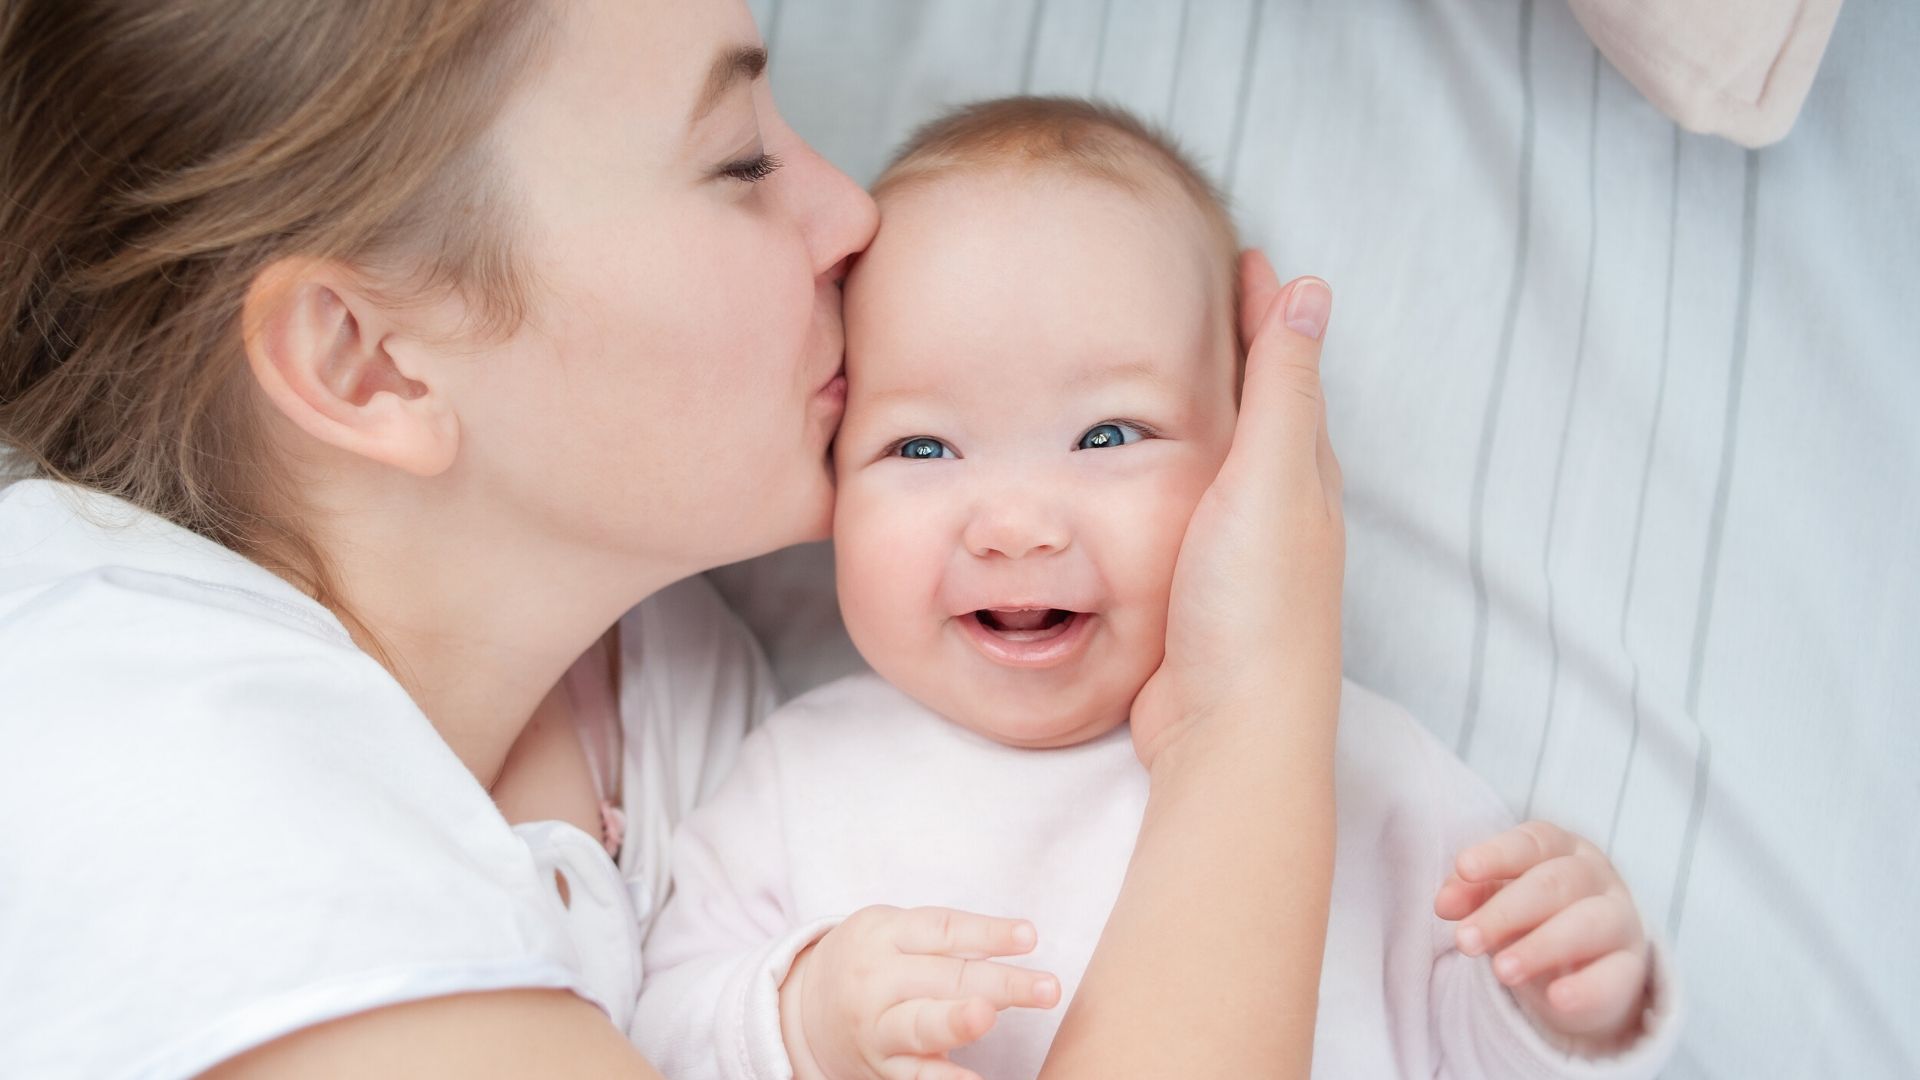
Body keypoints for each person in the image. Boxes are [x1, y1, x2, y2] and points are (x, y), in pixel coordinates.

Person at [0, 4, 1344, 1078]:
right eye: (740, 164)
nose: (854, 216)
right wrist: (1251, 709)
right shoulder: (129, 731)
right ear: (370, 362)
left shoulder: (678, 698)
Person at [634, 98, 1679, 1080]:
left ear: (1248, 454)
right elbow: (659, 1026)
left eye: (1107, 435)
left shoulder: (1348, 765)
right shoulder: (795, 780)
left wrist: (1558, 1003)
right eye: (921, 445)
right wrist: (806, 1016)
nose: (1015, 527)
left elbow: (1449, 1029)